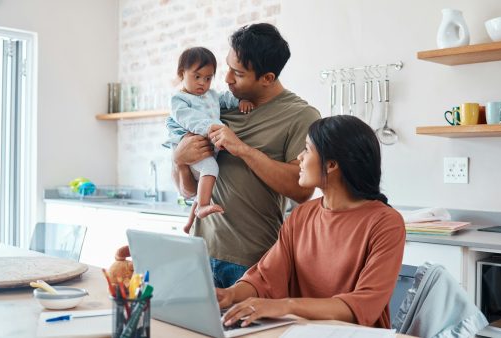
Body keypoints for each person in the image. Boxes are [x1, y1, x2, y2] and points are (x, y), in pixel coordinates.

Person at [216, 115, 406, 328]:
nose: (299, 157)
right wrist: (229, 294)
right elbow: (265, 276)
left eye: (307, 149)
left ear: (331, 164)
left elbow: (364, 305)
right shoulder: (301, 216)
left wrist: (286, 306)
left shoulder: (386, 223)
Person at [172, 23, 320, 288]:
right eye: (227, 67)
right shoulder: (217, 106)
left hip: (254, 260)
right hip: (200, 252)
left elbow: (301, 189)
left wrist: (242, 149)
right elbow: (187, 191)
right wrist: (180, 161)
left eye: (237, 73)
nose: (226, 79)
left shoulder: (300, 116)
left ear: (267, 78)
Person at [164, 47, 253, 234]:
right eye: (197, 77)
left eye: (208, 78)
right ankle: (203, 205)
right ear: (182, 74)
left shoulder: (210, 95)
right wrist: (210, 128)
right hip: (192, 146)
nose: (202, 83)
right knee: (211, 168)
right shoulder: (178, 100)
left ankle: (190, 223)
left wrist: (240, 101)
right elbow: (187, 118)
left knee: (204, 184)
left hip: (204, 146)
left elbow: (226, 98)